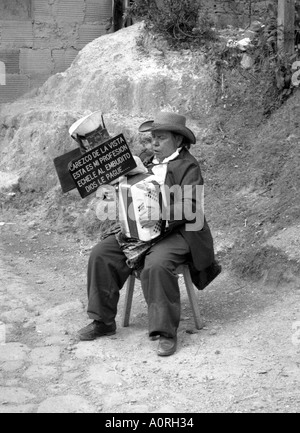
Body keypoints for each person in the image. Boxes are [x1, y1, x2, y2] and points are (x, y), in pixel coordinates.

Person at [78, 111, 220, 356]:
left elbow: (192, 207)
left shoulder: (188, 166)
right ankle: (103, 321)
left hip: (179, 231)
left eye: (161, 138)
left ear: (178, 141)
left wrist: (161, 213)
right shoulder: (144, 159)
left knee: (157, 264)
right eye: (152, 138)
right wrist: (115, 184)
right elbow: (124, 190)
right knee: (102, 253)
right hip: (139, 229)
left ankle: (165, 333)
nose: (153, 143)